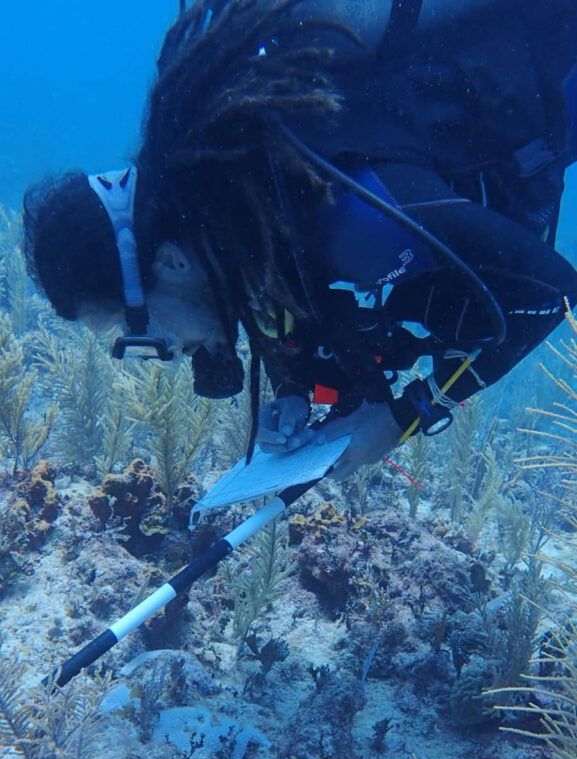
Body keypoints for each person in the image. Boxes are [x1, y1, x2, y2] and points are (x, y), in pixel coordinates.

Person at [23, 0, 577, 480]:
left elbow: (548, 292)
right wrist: (295, 389)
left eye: (139, 332)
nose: (166, 355)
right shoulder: (248, 209)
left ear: (169, 263)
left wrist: (405, 416)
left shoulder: (348, 218)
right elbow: (308, 303)